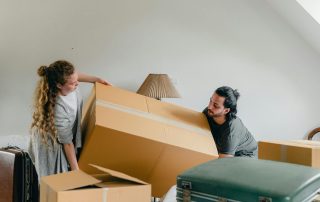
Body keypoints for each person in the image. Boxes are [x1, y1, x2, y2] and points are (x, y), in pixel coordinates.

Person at [29, 60, 111, 178]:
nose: (77, 83)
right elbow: (67, 143)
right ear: (59, 85)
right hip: (49, 141)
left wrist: (97, 79)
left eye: (77, 79)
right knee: (56, 178)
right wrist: (76, 171)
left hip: (63, 136)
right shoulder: (58, 107)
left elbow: (75, 76)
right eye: (73, 83)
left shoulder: (69, 84)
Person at [203, 86, 257, 158]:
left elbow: (225, 162)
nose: (209, 107)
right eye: (210, 101)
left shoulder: (231, 132)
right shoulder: (209, 112)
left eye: (215, 105)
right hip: (224, 149)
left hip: (245, 156)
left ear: (226, 110)